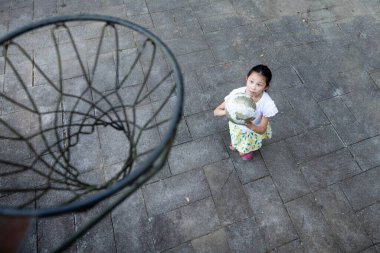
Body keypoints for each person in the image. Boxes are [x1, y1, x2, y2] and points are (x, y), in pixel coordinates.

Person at [214, 64, 278, 160]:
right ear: (246, 78)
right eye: (251, 81)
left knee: (243, 151)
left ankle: (246, 150)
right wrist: (229, 112)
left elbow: (262, 129)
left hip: (251, 132)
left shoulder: (266, 103)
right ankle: (236, 143)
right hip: (236, 127)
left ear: (266, 87)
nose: (253, 87)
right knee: (235, 139)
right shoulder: (236, 95)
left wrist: (250, 125)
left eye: (259, 84)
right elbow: (216, 111)